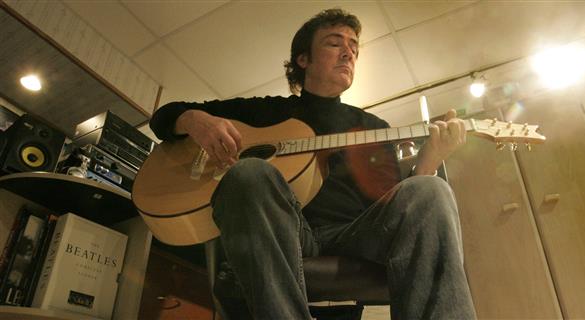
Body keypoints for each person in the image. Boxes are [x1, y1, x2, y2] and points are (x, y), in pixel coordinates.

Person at [150, 8, 476, 320]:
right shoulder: (267, 112)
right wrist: (195, 120)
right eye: (334, 43)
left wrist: (428, 162)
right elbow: (165, 116)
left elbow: (396, 209)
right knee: (249, 172)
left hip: (354, 235)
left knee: (430, 189)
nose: (348, 53)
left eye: (353, 48)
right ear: (303, 59)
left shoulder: (374, 127)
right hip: (285, 231)